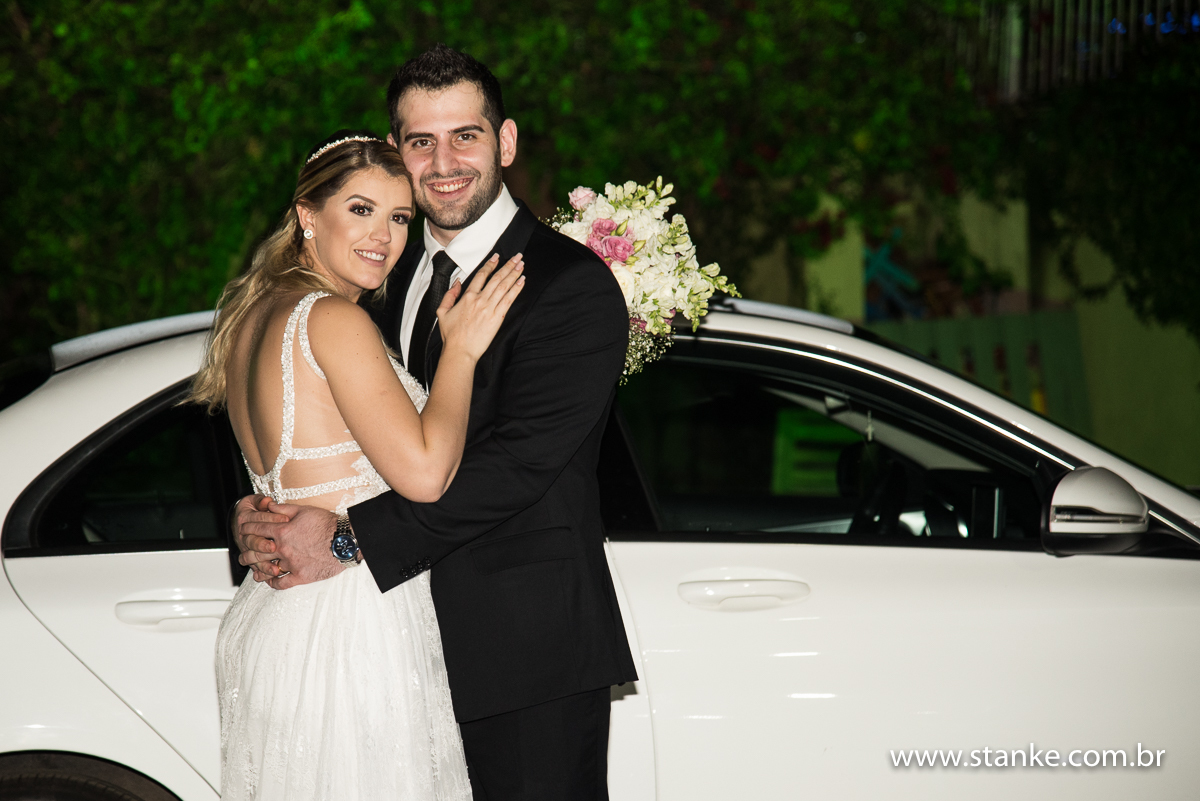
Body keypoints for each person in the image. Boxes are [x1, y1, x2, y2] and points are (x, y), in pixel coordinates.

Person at [234, 45, 639, 799]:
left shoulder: (569, 287)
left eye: (466, 135)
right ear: (398, 150)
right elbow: (322, 418)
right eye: (421, 141)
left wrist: (349, 536)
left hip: (521, 656)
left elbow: (518, 465)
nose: (444, 160)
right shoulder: (377, 275)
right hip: (391, 649)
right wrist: (271, 503)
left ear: (505, 142)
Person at [190, 129, 525, 799]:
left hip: (279, 618)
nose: (386, 235)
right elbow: (426, 474)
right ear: (308, 215)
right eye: (361, 209)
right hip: (348, 627)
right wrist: (459, 352)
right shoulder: (332, 319)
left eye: (400, 216)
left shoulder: (253, 316)